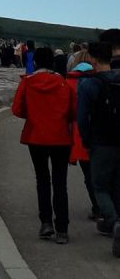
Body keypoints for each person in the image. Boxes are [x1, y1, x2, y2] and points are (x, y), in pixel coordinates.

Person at [12, 45, 75, 242]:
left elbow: (17, 109)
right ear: (54, 64)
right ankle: (62, 230)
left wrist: (33, 118)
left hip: (36, 138)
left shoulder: (28, 83)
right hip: (60, 139)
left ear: (36, 62)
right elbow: (73, 112)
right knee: (60, 182)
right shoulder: (64, 84)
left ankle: (46, 223)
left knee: (42, 179)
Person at [76, 38, 120, 250]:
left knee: (100, 187)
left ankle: (115, 223)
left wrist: (86, 140)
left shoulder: (89, 84)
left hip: (101, 142)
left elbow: (82, 118)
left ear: (92, 59)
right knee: (118, 187)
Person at [68, 49, 99, 220]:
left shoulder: (70, 82)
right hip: (105, 135)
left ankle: (98, 207)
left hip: (81, 136)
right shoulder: (101, 80)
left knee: (89, 174)